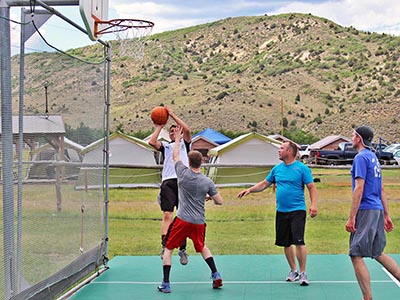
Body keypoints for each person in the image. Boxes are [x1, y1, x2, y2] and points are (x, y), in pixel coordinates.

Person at [237, 141, 317, 286]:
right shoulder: (277, 169)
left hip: (298, 210)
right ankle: (293, 271)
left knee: (299, 241)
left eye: (281, 148)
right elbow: (264, 184)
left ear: (290, 152)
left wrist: (314, 205)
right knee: (286, 243)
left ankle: (303, 273)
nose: (279, 151)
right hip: (281, 211)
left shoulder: (302, 169)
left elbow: (311, 187)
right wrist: (249, 190)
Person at [157, 126, 223, 293]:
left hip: (183, 220)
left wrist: (178, 139)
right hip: (199, 222)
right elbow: (219, 202)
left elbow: (175, 156)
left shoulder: (182, 173)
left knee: (168, 249)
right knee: (202, 247)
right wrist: (209, 197)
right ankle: (215, 274)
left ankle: (166, 283)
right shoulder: (207, 182)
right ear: (202, 162)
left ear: (189, 161)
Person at [345, 126, 400, 300]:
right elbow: (381, 188)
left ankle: (367, 297)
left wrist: (352, 216)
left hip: (366, 210)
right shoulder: (374, 158)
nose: (351, 137)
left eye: (353, 135)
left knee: (356, 253)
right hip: (376, 209)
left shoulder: (361, 158)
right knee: (377, 253)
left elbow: (359, 188)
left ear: (359, 138)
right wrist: (385, 214)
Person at [149, 106, 191, 265]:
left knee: (183, 217)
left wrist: (172, 114)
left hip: (183, 181)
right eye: (171, 130)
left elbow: (186, 129)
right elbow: (152, 142)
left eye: (176, 130)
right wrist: (160, 126)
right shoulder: (166, 146)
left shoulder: (185, 145)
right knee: (168, 214)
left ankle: (182, 249)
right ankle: (164, 245)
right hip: (168, 182)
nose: (174, 131)